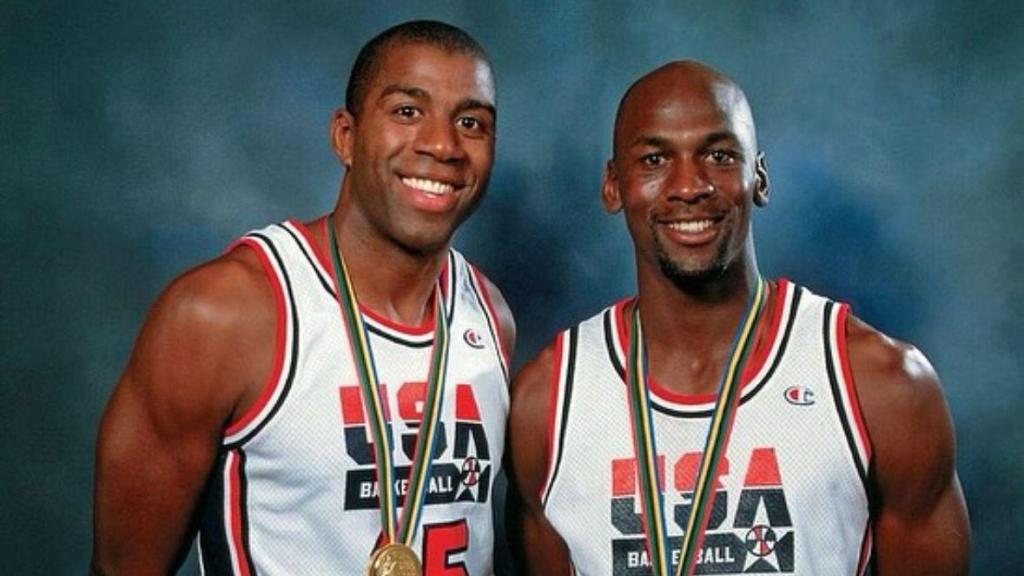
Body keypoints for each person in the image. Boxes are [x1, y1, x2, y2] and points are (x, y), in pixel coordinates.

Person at [507, 61, 969, 575]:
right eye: (655, 159)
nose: (689, 185)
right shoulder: (546, 403)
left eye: (720, 156)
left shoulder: (880, 385)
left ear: (760, 178)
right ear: (615, 186)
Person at [91, 20, 515, 575]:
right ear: (346, 136)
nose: (442, 145)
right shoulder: (228, 312)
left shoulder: (490, 315)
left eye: (470, 122)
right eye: (407, 111)